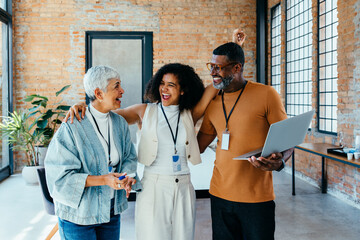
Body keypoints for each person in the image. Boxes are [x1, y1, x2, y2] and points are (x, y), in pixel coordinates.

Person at [65, 30, 246, 240]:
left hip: (184, 185)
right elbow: (105, 113)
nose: (164, 89)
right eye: (162, 83)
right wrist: (84, 104)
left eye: (171, 85)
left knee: (183, 236)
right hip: (153, 185)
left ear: (183, 90)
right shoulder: (144, 111)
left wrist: (235, 47)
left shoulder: (190, 113)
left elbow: (216, 83)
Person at [197, 42, 293, 240]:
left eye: (218, 67)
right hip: (219, 195)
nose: (213, 72)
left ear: (237, 67)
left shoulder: (266, 94)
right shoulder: (213, 102)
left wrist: (280, 160)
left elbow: (287, 141)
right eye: (211, 66)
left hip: (257, 199)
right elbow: (198, 145)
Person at [45, 66, 141, 240]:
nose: (122, 90)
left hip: (110, 212)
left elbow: (129, 157)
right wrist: (105, 179)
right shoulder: (72, 126)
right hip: (78, 217)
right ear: (98, 93)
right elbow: (59, 177)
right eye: (116, 86)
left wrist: (127, 177)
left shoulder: (119, 123)